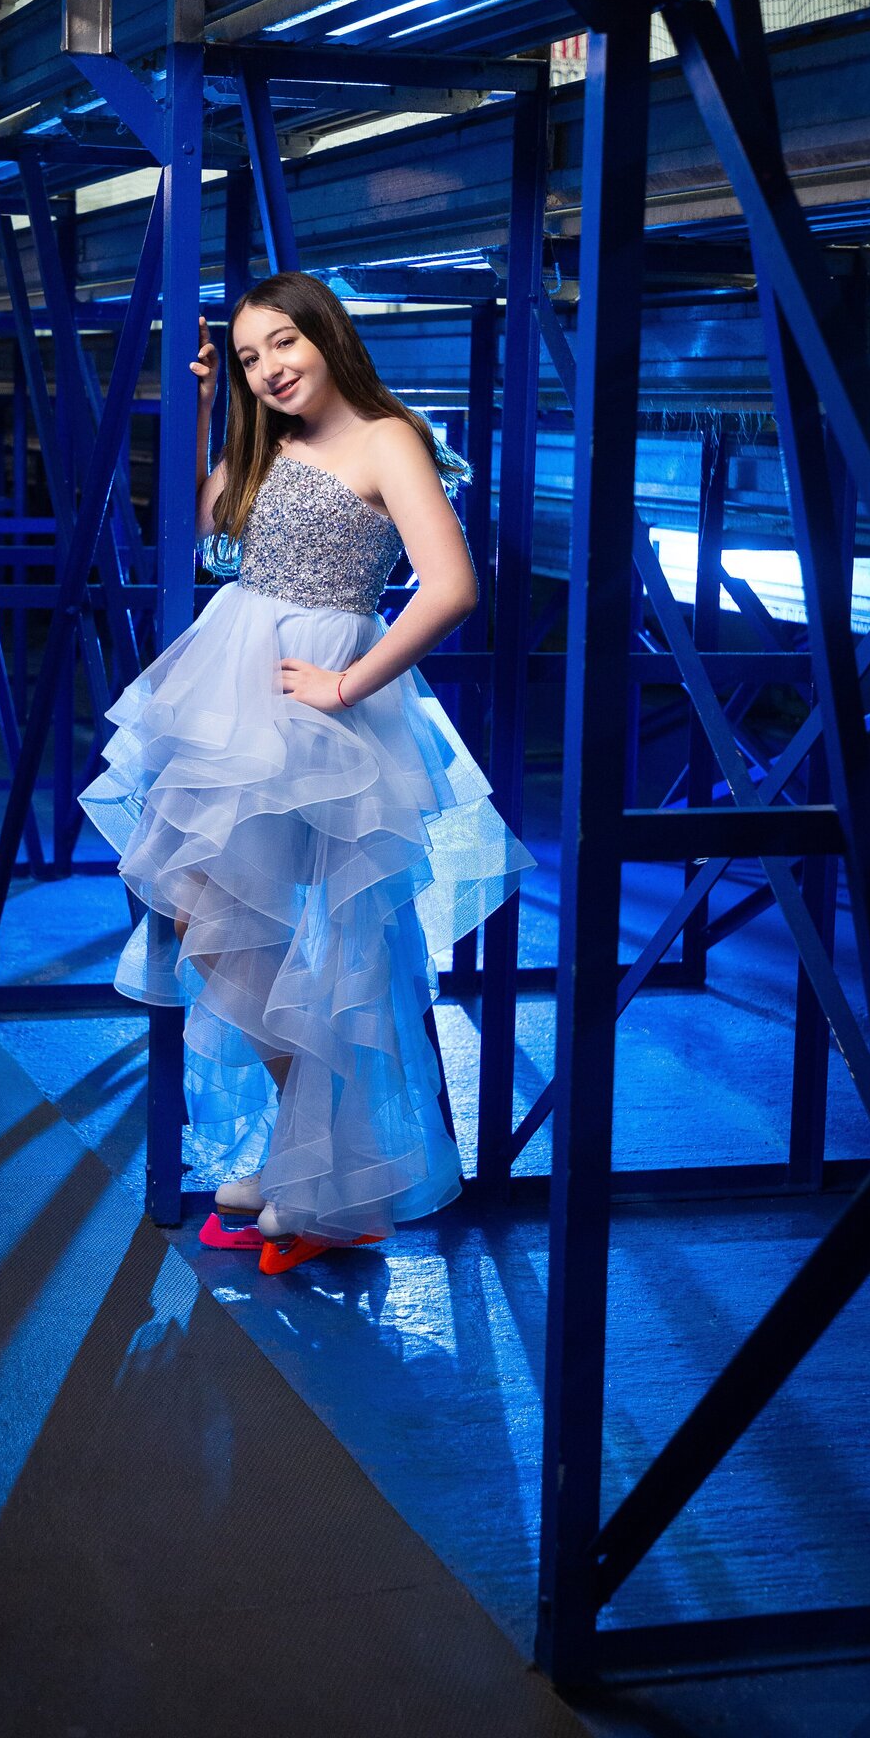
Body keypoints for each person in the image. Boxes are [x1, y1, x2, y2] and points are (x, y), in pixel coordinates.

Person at [80, 271, 535, 1274]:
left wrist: (347, 684)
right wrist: (203, 407)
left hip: (316, 702)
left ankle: (325, 1179)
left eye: (283, 343)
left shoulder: (388, 438)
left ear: (327, 333)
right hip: (234, 682)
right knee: (213, 915)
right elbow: (209, 531)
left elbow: (453, 585)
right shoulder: (273, 440)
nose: (270, 369)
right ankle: (314, 1159)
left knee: (332, 945)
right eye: (249, 358)